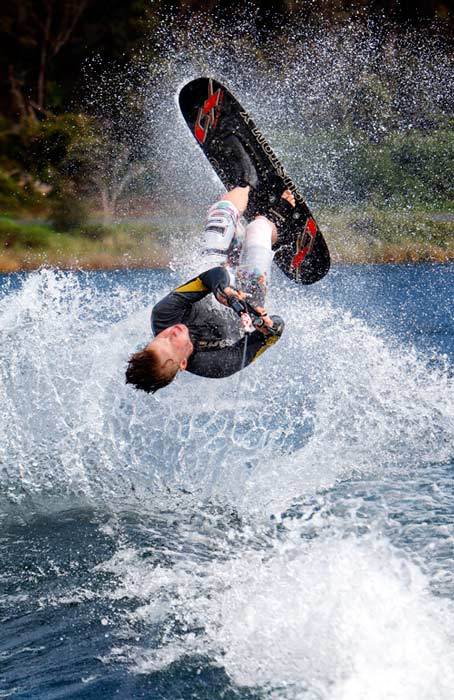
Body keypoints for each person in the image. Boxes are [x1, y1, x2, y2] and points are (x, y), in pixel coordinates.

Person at [125, 182, 295, 394]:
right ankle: (273, 222)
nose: (171, 332)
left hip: (212, 284)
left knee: (221, 214)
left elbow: (210, 276)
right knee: (257, 229)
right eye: (172, 342)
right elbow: (275, 331)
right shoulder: (217, 365)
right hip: (248, 305)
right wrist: (267, 325)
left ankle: (246, 184)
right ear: (183, 363)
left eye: (161, 337)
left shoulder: (163, 315)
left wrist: (222, 290)